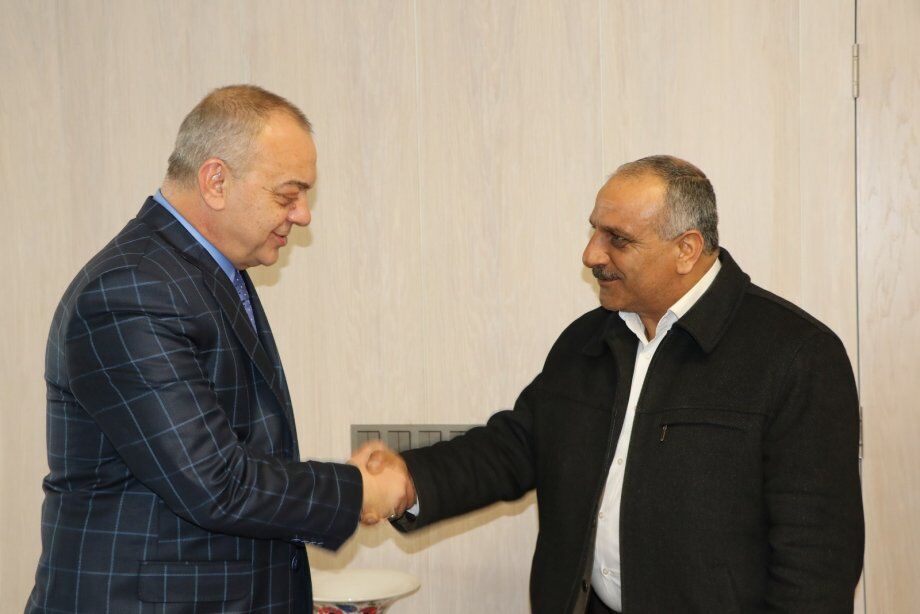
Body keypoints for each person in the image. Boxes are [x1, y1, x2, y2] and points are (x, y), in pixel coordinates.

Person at [358, 155, 865, 613]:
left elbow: (817, 558)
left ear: (686, 249)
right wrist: (408, 482)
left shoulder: (796, 355)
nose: (591, 254)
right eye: (594, 231)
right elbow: (516, 447)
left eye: (617, 239)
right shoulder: (588, 339)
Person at [25, 85, 409, 613]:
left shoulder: (201, 272)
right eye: (287, 195)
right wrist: (357, 490)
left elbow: (239, 453)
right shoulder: (132, 290)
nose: (303, 215)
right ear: (216, 181)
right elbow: (216, 483)